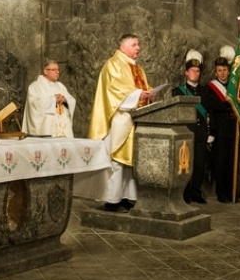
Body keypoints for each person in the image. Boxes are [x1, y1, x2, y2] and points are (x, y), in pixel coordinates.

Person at [88, 34, 155, 213]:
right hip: (119, 120)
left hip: (134, 120)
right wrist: (138, 95)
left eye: (138, 44)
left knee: (129, 162)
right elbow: (116, 92)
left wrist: (148, 95)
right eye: (134, 44)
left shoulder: (137, 68)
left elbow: (140, 89)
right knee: (117, 161)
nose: (138, 48)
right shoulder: (114, 64)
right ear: (123, 46)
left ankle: (128, 197)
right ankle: (112, 199)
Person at [172, 56, 209, 204]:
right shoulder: (178, 92)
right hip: (186, 133)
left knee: (199, 164)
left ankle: (196, 193)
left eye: (198, 71)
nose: (196, 73)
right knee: (185, 164)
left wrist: (210, 132)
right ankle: (184, 193)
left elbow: (209, 112)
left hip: (200, 133)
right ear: (186, 73)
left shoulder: (205, 91)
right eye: (193, 71)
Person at [205, 57, 237, 203]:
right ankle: (221, 193)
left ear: (229, 71)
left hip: (234, 131)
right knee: (221, 163)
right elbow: (212, 109)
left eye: (224, 70)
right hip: (219, 131)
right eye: (219, 70)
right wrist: (212, 132)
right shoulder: (210, 88)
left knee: (232, 164)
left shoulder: (234, 87)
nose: (222, 73)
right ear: (215, 73)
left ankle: (231, 192)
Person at [22, 59, 77, 138]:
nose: (57, 72)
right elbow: (34, 104)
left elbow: (72, 100)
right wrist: (54, 100)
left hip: (64, 126)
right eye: (54, 70)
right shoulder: (35, 86)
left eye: (58, 70)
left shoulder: (60, 86)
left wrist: (65, 99)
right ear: (45, 71)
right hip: (47, 128)